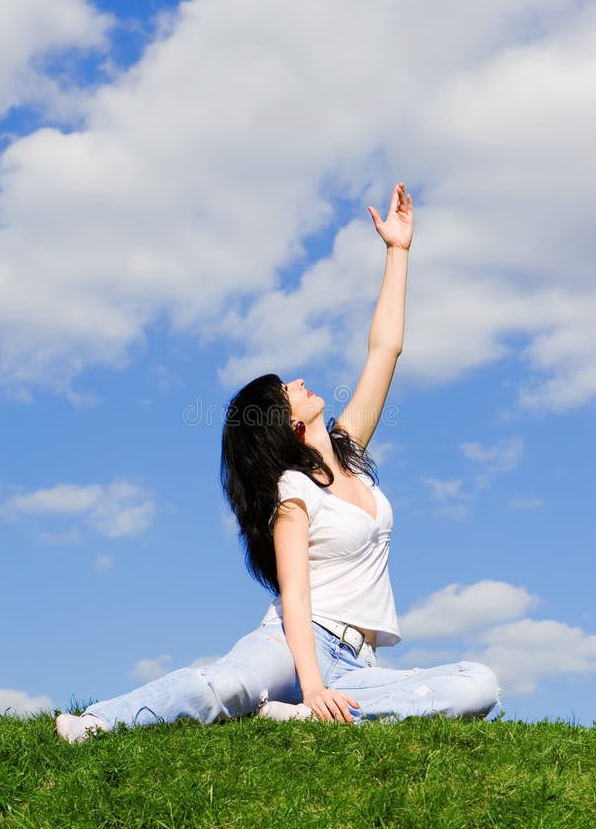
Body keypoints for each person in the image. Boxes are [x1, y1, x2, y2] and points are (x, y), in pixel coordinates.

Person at [56, 183, 500, 743]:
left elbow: (384, 350)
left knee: (477, 684)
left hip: (358, 662)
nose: (299, 381)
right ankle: (97, 722)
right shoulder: (294, 487)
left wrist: (397, 252)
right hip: (294, 644)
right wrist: (312, 684)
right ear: (285, 425)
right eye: (286, 388)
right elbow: (294, 594)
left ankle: (295, 715)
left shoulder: (349, 455)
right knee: (225, 687)